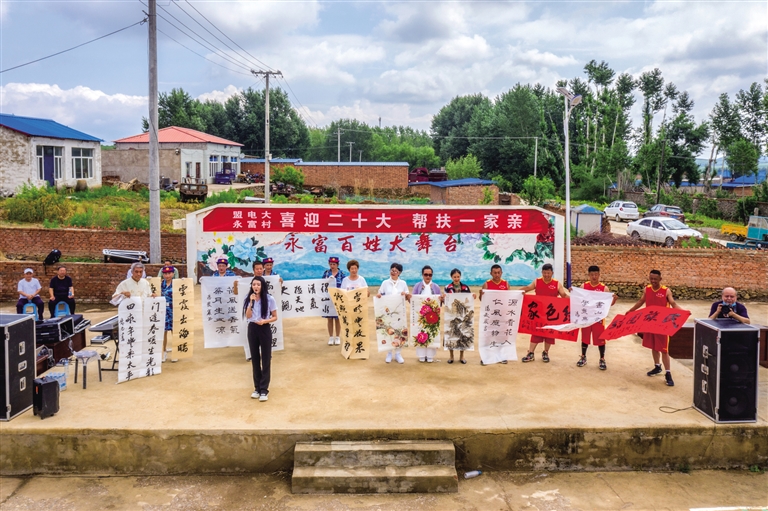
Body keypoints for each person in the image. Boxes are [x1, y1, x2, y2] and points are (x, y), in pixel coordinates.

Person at [626, 269, 683, 387]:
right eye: (651, 279)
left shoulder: (666, 291)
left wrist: (683, 312)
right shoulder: (647, 289)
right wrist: (631, 311)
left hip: (662, 325)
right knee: (654, 345)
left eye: (655, 279)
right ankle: (657, 366)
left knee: (664, 349)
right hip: (650, 322)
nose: (653, 281)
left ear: (660, 279)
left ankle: (668, 373)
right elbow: (641, 301)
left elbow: (673, 303)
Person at [520, 263, 569, 363]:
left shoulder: (557, 284)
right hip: (538, 313)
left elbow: (563, 295)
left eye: (548, 273)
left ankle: (545, 352)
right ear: (542, 272)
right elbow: (528, 288)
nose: (546, 275)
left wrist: (575, 300)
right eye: (544, 273)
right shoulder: (537, 281)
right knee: (535, 332)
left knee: (549, 334)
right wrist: (514, 293)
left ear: (552, 273)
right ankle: (530, 353)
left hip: (551, 315)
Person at [576, 265, 617, 371]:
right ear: (588, 275)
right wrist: (573, 292)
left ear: (599, 275)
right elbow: (578, 300)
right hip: (586, 317)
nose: (594, 277)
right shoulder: (583, 286)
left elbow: (608, 304)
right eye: (592, 275)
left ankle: (602, 359)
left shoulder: (604, 288)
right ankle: (583, 357)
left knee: (600, 338)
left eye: (596, 275)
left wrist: (614, 300)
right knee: (585, 337)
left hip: (598, 318)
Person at [243, 276, 277, 402]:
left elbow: (275, 317)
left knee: (266, 358)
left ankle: (264, 389)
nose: (255, 287)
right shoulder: (248, 298)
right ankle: (257, 388)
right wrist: (251, 303)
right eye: (254, 285)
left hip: (264, 328)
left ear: (262, 286)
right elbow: (248, 316)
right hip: (252, 328)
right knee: (255, 358)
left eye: (258, 285)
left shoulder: (269, 299)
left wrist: (265, 321)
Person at [376, 262, 410, 364]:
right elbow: (380, 293)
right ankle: (389, 353)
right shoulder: (385, 283)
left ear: (399, 273)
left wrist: (405, 294)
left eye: (396, 271)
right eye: (392, 270)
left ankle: (398, 354)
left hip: (399, 312)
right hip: (388, 312)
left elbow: (408, 296)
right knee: (389, 332)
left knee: (399, 332)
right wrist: (379, 295)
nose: (393, 272)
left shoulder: (403, 283)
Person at [412, 265, 443, 363]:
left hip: (432, 315)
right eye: (426, 274)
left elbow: (439, 302)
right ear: (422, 275)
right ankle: (421, 355)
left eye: (430, 275)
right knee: (421, 333)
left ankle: (430, 355)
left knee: (431, 333)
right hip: (420, 314)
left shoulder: (436, 287)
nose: (428, 277)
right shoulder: (417, 286)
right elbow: (413, 300)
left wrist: (441, 299)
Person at [444, 268, 474, 365]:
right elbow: (445, 301)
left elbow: (469, 299)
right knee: (451, 333)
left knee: (463, 334)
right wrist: (443, 298)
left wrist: (473, 297)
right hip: (452, 314)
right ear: (451, 277)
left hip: (463, 313)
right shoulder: (447, 288)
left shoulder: (465, 287)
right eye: (454, 277)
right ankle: (451, 356)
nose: (456, 278)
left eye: (458, 277)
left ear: (460, 277)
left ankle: (462, 356)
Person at [322, 256, 346, 346]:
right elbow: (321, 284)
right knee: (329, 319)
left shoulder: (341, 274)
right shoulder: (326, 273)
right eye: (331, 264)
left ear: (337, 264)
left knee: (337, 318)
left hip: (338, 299)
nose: (332, 266)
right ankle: (331, 337)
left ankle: (338, 337)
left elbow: (344, 285)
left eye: (334, 264)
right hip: (328, 299)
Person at [160, 266, 175, 363]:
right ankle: (164, 352)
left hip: (174, 310)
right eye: (165, 273)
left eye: (169, 273)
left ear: (173, 274)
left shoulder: (177, 284)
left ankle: (176, 353)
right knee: (163, 332)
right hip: (163, 310)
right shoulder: (160, 284)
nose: (167, 275)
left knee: (175, 331)